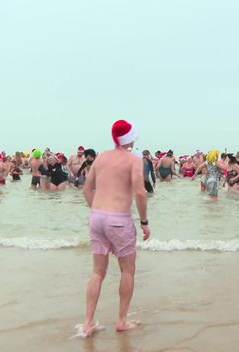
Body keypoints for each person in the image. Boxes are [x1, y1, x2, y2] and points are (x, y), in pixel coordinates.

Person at [81, 119, 149, 336]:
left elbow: (86, 190)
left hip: (97, 217)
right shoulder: (133, 160)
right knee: (127, 270)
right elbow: (140, 192)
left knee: (97, 272)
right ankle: (122, 321)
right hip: (119, 219)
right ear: (131, 138)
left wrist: (98, 212)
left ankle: (88, 323)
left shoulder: (101, 157)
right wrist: (144, 222)